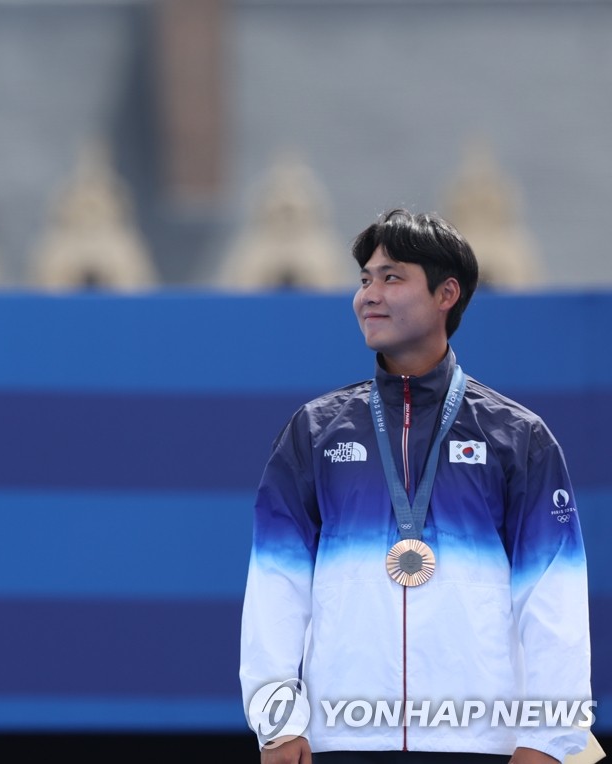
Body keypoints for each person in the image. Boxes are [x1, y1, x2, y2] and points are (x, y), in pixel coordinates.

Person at [239, 209, 591, 763]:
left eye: (391, 277)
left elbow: (554, 598)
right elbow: (275, 587)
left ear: (446, 293)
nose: (368, 295)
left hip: (481, 743)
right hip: (341, 740)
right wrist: (277, 724)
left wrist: (549, 741)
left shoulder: (519, 438)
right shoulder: (315, 431)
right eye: (364, 280)